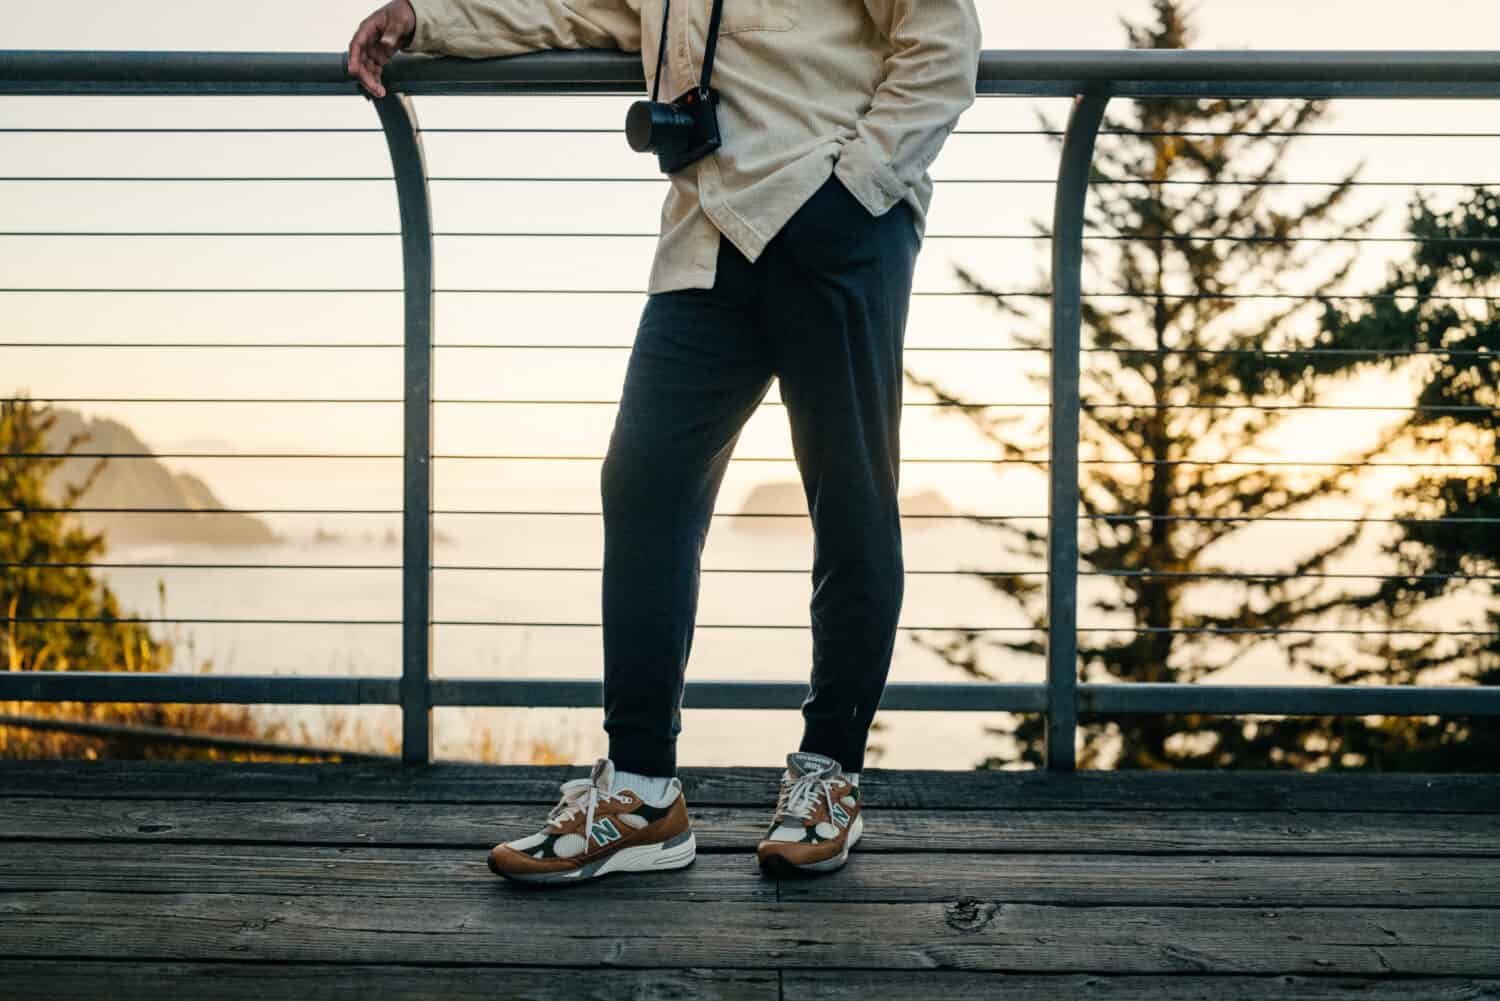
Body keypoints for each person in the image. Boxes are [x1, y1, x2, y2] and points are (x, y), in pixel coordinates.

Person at [348, 0, 981, 883]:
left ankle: (829, 774)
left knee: (851, 499)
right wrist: (425, 20)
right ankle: (643, 794)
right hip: (704, 238)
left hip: (838, 228)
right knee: (643, 481)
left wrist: (858, 188)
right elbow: (561, 9)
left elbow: (943, 40)